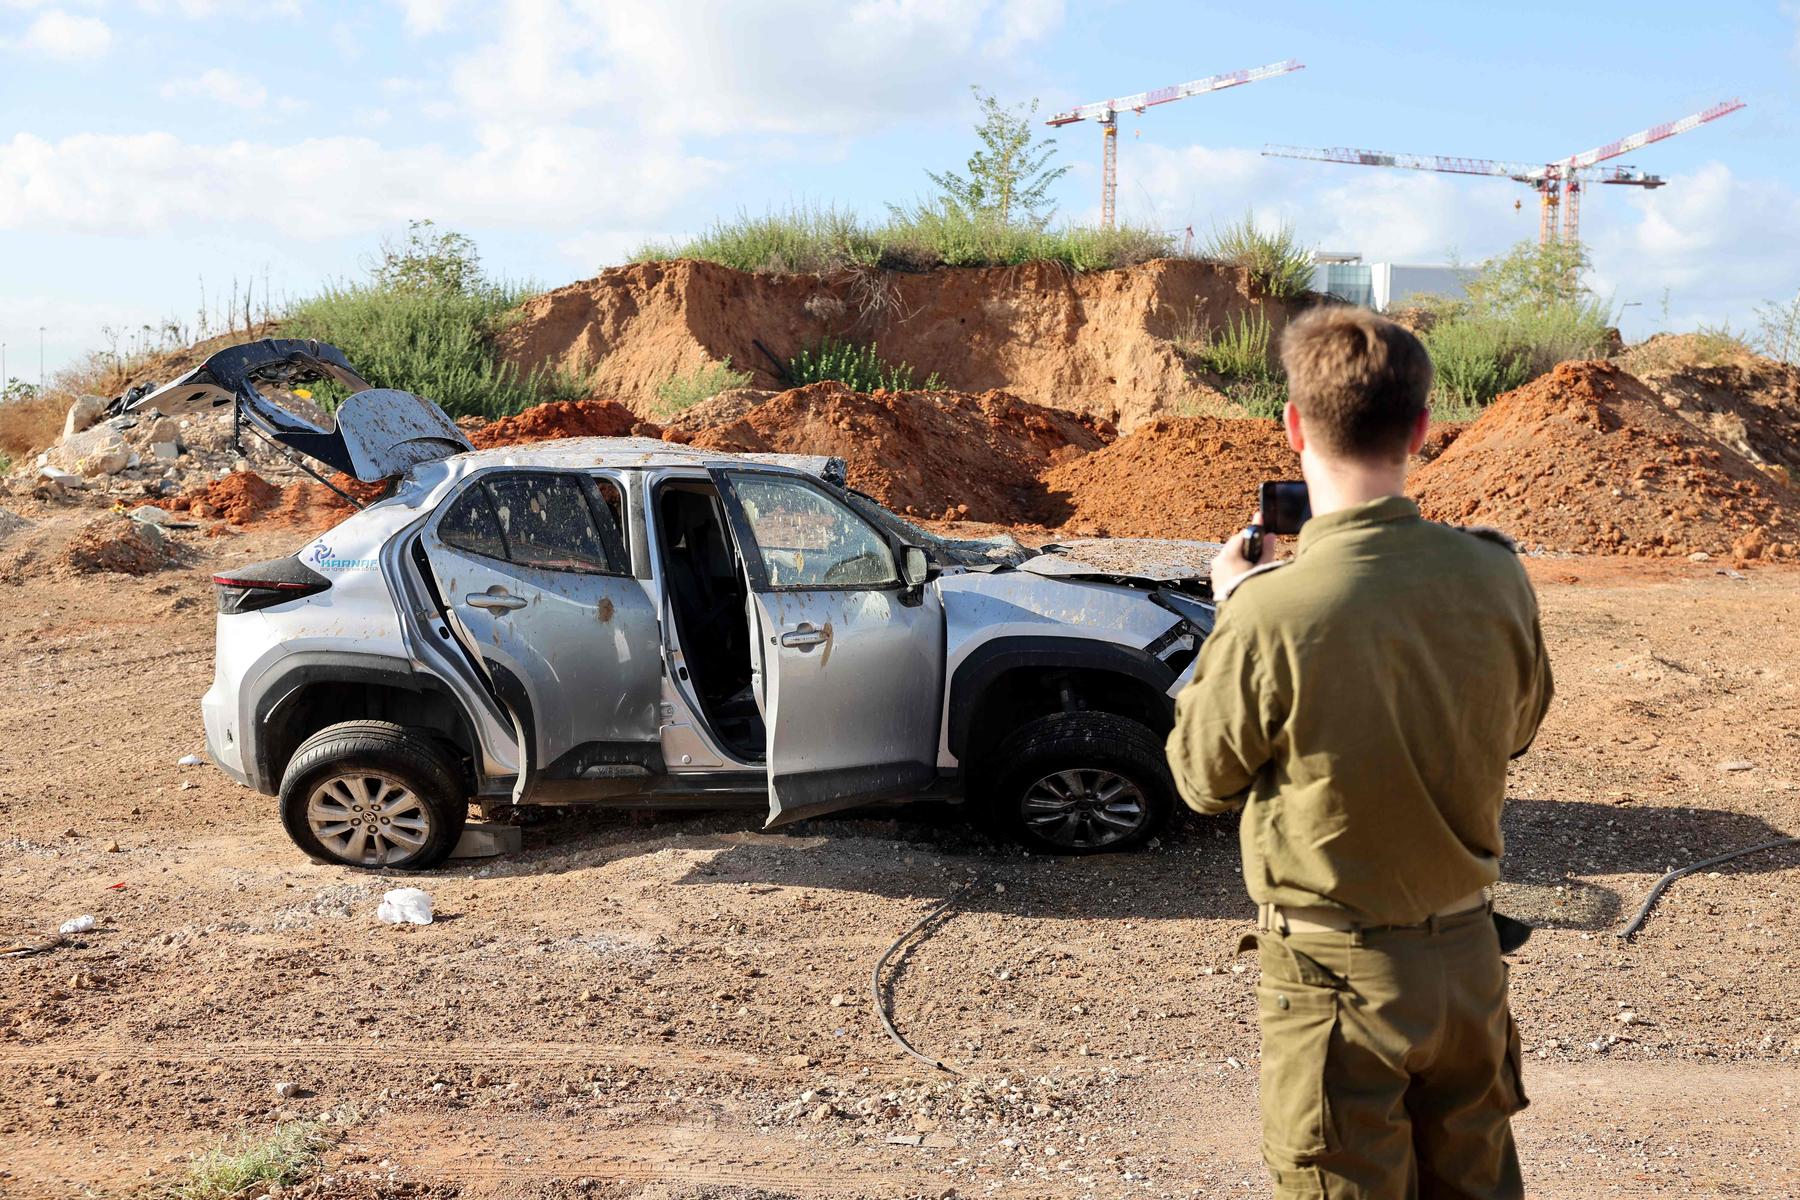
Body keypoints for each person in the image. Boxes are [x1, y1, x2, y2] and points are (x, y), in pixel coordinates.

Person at [1166, 305, 1554, 1200]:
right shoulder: (1496, 575)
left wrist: (1235, 613)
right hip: (1466, 968)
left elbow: (1200, 781)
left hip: (1333, 977)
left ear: (1294, 426)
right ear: (1421, 430)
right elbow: (1521, 727)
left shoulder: (1271, 608)